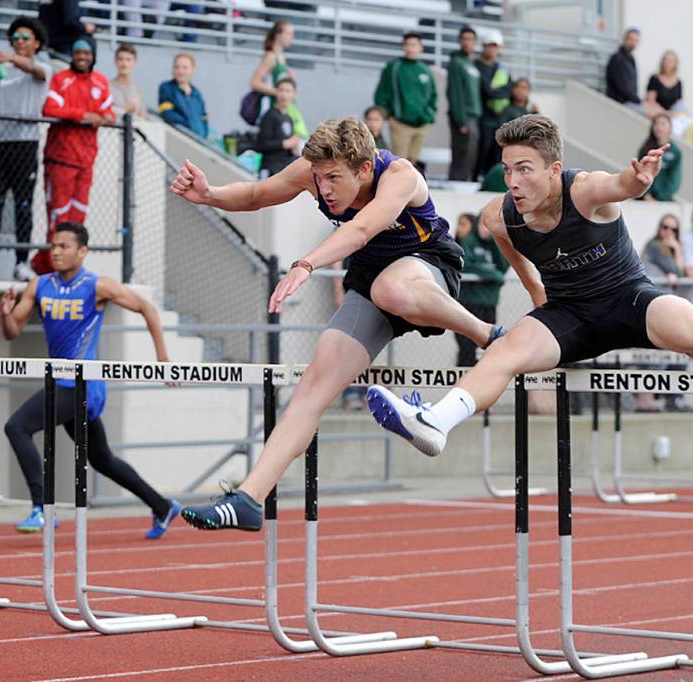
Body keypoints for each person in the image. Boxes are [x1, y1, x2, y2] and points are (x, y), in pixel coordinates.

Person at [171, 117, 505, 531]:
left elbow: (363, 228)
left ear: (363, 169)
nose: (323, 188)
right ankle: (249, 498)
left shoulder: (398, 175)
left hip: (428, 268)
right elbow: (258, 193)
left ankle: (487, 333)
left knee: (392, 289)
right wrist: (210, 195)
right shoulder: (312, 172)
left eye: (333, 178)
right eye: (318, 178)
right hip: (370, 276)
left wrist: (307, 263)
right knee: (315, 382)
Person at [365, 115, 693, 459]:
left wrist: (637, 181)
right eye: (507, 170)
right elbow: (507, 245)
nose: (513, 182)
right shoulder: (500, 215)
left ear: (554, 169)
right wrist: (537, 290)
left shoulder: (583, 190)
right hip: (569, 315)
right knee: (505, 350)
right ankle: (436, 421)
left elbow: (618, 185)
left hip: (628, 301)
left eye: (524, 169)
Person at [0, 222, 180, 538]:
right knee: (102, 460)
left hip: (83, 385)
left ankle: (43, 508)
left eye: (64, 246)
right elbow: (12, 333)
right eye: (53, 246)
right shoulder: (39, 285)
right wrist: (4, 314)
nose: (55, 252)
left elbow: (146, 308)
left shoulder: (97, 286)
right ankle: (163, 506)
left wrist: (162, 357)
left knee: (17, 426)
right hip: (61, 384)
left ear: (82, 251)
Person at [0, 17, 53, 284]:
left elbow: (35, 70)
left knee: (23, 204)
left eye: (25, 38)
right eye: (16, 38)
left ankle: (21, 262)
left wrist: (10, 57)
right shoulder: (5, 73)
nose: (20, 42)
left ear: (36, 43)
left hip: (24, 143)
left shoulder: (41, 67)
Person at [34, 36, 114, 275]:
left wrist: (105, 117)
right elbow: (49, 109)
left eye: (86, 53)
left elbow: (109, 114)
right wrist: (85, 116)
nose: (81, 56)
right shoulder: (61, 79)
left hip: (86, 161)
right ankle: (45, 268)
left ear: (93, 56)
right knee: (58, 218)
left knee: (78, 220)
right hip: (60, 159)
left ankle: (69, 270)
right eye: (77, 52)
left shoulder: (100, 82)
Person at [639, 213, 687, 412]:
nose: (668, 232)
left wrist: (676, 251)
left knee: (675, 352)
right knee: (657, 355)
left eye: (673, 229)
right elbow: (677, 269)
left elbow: (679, 273)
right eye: (665, 227)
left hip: (666, 308)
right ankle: (645, 400)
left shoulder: (669, 249)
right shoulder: (655, 246)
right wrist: (676, 251)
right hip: (653, 307)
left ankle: (672, 399)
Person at [373, 32, 436, 166]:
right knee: (399, 164)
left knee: (413, 163)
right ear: (403, 47)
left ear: (421, 48)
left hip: (422, 124)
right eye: (407, 45)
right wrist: (388, 116)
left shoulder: (425, 70)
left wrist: (429, 115)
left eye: (413, 45)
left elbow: (433, 96)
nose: (410, 48)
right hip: (400, 123)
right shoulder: (394, 67)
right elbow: (381, 93)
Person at [454, 212, 508, 367]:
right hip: (468, 303)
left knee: (487, 347)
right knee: (466, 348)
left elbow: (503, 266)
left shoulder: (495, 242)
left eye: (488, 226)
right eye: (482, 225)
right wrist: (493, 274)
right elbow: (466, 265)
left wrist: (494, 239)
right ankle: (463, 387)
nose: (485, 229)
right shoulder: (469, 240)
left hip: (489, 303)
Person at [475, 30, 512, 179]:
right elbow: (486, 90)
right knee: (481, 151)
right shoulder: (476, 66)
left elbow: (509, 89)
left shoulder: (501, 68)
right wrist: (495, 91)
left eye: (495, 46)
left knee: (496, 153)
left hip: (498, 118)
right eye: (489, 46)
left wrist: (494, 90)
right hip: (482, 118)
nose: (492, 50)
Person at [446, 25, 481, 181]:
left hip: (474, 116)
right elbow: (455, 93)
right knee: (462, 154)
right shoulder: (456, 62)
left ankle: (465, 183)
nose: (467, 42)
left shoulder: (471, 63)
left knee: (471, 155)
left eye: (470, 39)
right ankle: (457, 184)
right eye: (464, 39)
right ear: (460, 41)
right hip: (463, 117)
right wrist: (460, 120)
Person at [248, 19, 296, 123]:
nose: (292, 37)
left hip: (282, 110)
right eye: (289, 33)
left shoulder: (282, 58)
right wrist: (278, 92)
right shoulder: (271, 56)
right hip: (271, 110)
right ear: (278, 35)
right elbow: (254, 82)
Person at [253, 78, 300, 177]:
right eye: (281, 90)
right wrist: (284, 144)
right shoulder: (269, 116)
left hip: (284, 171)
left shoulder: (289, 118)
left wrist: (294, 147)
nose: (284, 94)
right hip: (270, 169)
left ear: (294, 94)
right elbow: (261, 145)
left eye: (288, 91)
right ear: (276, 92)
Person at [158, 52, 208, 139]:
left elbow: (204, 118)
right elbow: (168, 114)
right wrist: (190, 124)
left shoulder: (196, 93)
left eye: (185, 68)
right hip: (180, 139)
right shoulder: (166, 88)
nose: (180, 71)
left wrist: (204, 134)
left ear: (193, 69)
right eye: (176, 67)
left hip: (199, 141)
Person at [638, 113, 680, 201]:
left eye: (663, 124)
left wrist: (661, 197)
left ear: (670, 128)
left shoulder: (675, 152)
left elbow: (674, 179)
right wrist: (646, 195)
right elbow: (639, 171)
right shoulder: (646, 148)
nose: (659, 127)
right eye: (656, 124)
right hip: (643, 196)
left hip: (663, 199)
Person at [605, 28, 641, 111]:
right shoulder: (617, 59)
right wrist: (638, 101)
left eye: (635, 40)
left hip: (629, 102)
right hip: (620, 104)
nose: (633, 43)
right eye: (630, 39)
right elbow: (622, 87)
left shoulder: (630, 59)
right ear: (625, 40)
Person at [645, 50, 683, 119]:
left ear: (675, 64)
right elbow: (650, 101)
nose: (667, 63)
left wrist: (671, 113)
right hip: (656, 111)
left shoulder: (679, 83)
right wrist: (665, 113)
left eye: (670, 61)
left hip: (671, 114)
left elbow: (678, 104)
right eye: (665, 60)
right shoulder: (654, 78)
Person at [110, 44, 145, 119]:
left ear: (135, 62)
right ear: (115, 61)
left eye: (128, 59)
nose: (124, 64)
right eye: (120, 59)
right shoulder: (107, 87)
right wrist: (124, 109)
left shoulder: (137, 90)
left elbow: (143, 116)